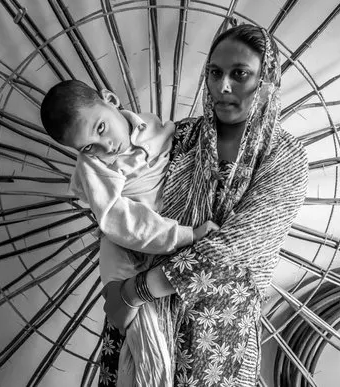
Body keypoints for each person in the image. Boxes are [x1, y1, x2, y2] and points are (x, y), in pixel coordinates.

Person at [99, 24, 309, 386]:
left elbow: (231, 251)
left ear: (267, 80)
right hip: (143, 325)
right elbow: (124, 200)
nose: (222, 87)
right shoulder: (177, 137)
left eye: (239, 74)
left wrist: (133, 292)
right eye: (215, 73)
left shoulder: (284, 157)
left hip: (216, 334)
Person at [40, 80, 219, 387]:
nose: (105, 147)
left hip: (165, 226)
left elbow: (176, 144)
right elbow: (117, 220)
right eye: (87, 147)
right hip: (124, 240)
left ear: (111, 99)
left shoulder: (151, 125)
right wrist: (184, 235)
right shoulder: (93, 166)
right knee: (136, 326)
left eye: (100, 128)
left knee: (159, 319)